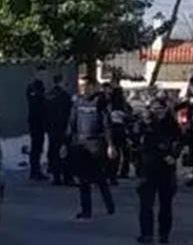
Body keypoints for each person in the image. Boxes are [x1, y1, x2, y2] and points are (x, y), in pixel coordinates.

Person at [134, 95, 183, 244]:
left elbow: (179, 141)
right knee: (146, 205)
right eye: (155, 109)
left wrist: (173, 155)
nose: (158, 112)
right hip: (147, 168)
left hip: (166, 169)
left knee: (165, 205)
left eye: (161, 109)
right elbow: (137, 141)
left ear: (166, 109)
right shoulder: (145, 123)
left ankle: (164, 235)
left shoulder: (171, 124)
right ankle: (146, 234)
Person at [65, 77, 116, 220]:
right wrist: (66, 142)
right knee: (83, 179)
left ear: (93, 87)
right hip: (81, 143)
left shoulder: (100, 102)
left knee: (99, 177)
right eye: (81, 86)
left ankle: (109, 204)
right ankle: (86, 210)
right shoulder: (77, 102)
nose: (83, 89)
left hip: (96, 143)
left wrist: (110, 145)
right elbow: (72, 122)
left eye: (86, 86)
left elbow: (106, 124)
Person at [47, 74, 75, 186]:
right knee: (66, 152)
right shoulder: (65, 96)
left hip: (52, 128)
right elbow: (69, 113)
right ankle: (67, 177)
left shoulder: (49, 95)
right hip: (63, 127)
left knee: (54, 151)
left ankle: (56, 177)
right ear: (61, 82)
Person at [27, 66, 49, 181]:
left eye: (44, 74)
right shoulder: (32, 87)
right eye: (41, 74)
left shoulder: (42, 87)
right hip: (35, 120)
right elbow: (35, 102)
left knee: (39, 146)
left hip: (41, 121)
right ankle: (34, 171)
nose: (43, 76)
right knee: (35, 146)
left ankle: (37, 170)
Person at [108, 83, 133, 183]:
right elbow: (129, 116)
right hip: (122, 129)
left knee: (114, 152)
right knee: (124, 152)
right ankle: (123, 171)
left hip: (112, 129)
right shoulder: (124, 104)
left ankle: (111, 173)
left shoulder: (109, 104)